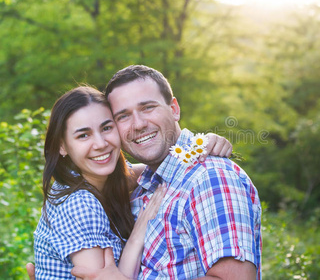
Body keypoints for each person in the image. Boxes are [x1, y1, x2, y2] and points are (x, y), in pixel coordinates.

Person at [71, 65, 262, 279]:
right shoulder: (146, 184)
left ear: (174, 109)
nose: (139, 124)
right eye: (123, 116)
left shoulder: (209, 178)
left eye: (147, 108)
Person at [29, 86, 232, 280]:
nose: (100, 144)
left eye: (106, 128)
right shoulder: (79, 202)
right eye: (83, 135)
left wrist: (200, 145)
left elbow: (157, 168)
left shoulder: (103, 180)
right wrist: (138, 233)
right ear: (62, 146)